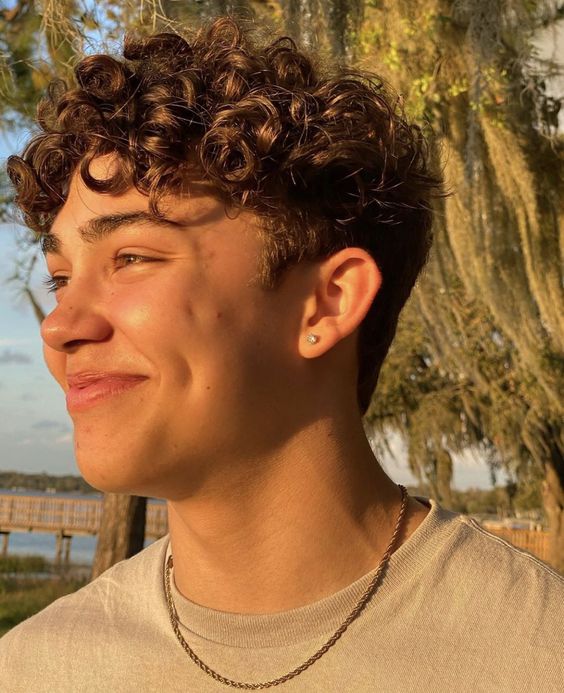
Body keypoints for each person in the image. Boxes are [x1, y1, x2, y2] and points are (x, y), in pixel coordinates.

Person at [0, 15, 562, 693]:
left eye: (132, 258)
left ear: (326, 303)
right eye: (60, 279)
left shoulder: (537, 655)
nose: (61, 326)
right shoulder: (32, 668)